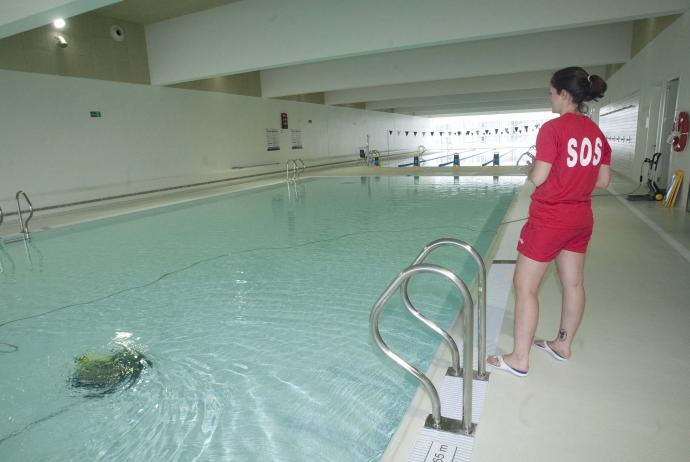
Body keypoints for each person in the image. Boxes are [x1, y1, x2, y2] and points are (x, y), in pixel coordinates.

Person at [487, 67, 611, 377]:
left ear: (565, 95)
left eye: (551, 92)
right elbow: (603, 180)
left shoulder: (552, 129)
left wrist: (532, 170)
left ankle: (519, 358)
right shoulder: (596, 133)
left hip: (550, 219)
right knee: (573, 284)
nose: (549, 98)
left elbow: (540, 177)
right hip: (581, 217)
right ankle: (562, 345)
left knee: (525, 286)